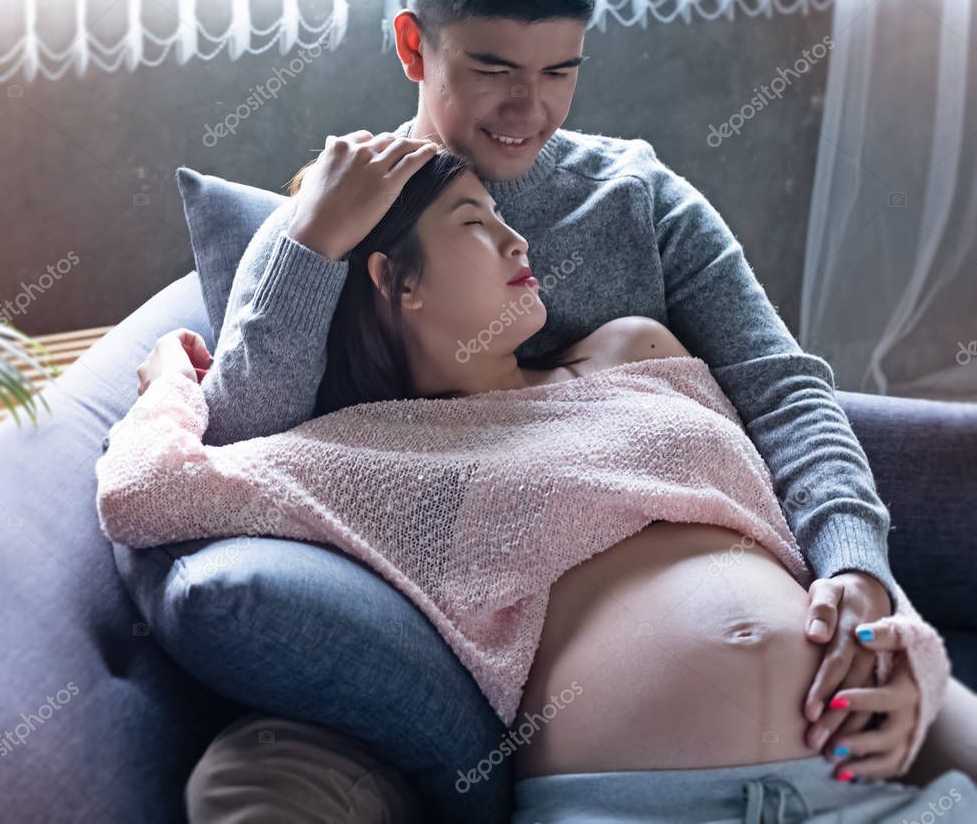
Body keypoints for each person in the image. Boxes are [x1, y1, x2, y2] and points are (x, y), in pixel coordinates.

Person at [104, 150, 977, 823]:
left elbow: (783, 452)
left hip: (870, 778)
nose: (517, 239)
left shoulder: (636, 353)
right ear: (395, 279)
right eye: (474, 222)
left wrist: (893, 633)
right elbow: (146, 495)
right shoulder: (360, 456)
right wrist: (170, 384)